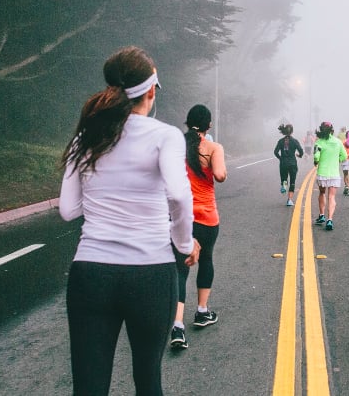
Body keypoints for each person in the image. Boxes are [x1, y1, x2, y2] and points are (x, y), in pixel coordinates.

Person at [59, 45, 200, 395]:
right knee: (148, 379)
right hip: (150, 272)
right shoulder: (164, 136)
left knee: (89, 387)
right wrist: (184, 244)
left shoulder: (86, 137)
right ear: (151, 91)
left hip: (91, 272)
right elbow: (180, 195)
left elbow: (68, 209)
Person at [171, 104, 227, 350]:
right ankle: (202, 311)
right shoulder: (213, 147)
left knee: (179, 270)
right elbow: (221, 175)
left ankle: (177, 326)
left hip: (181, 217)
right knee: (206, 260)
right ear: (209, 125)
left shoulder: (176, 147)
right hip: (206, 217)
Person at [313, 121, 347, 230]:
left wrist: (316, 162)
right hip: (334, 174)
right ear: (332, 130)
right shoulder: (338, 142)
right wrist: (337, 160)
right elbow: (344, 155)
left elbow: (316, 156)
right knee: (332, 196)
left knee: (322, 193)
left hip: (322, 173)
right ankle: (330, 220)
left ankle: (322, 215)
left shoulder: (319, 142)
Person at [273, 123, 304, 206]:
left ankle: (284, 185)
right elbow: (301, 151)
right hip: (292, 163)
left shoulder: (280, 141)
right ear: (292, 131)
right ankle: (289, 200)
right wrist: (299, 155)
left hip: (283, 163)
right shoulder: (295, 141)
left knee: (284, 179)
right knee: (292, 181)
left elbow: (275, 152)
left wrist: (280, 158)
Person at [336, 126, 349, 196]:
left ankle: (346, 186)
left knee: (345, 174)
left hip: (345, 159)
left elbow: (340, 151)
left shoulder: (342, 142)